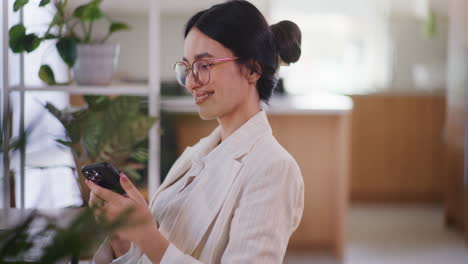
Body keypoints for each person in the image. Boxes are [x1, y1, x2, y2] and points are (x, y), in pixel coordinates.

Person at [87, 1, 304, 263]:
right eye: (187, 68)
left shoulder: (274, 169)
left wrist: (145, 234)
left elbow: (155, 244)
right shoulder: (196, 154)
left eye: (204, 65)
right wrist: (122, 233)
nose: (191, 82)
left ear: (253, 69)